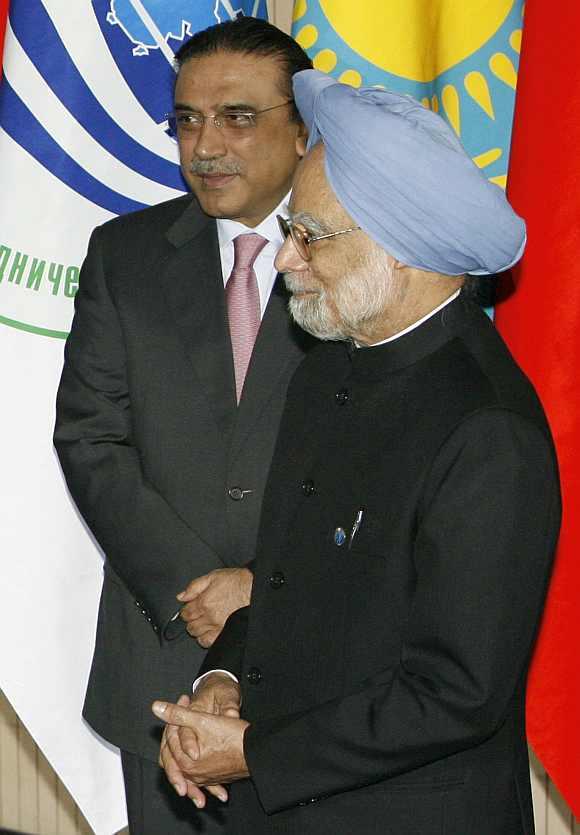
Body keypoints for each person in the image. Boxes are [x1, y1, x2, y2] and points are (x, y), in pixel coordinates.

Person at [152, 70, 561, 834]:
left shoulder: (487, 428)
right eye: (290, 231)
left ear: (400, 250)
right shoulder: (327, 368)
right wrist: (222, 677)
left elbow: (454, 693)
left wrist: (257, 752)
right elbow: (284, 579)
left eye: (310, 235)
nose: (283, 261)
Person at [53, 17, 314, 835]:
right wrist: (197, 590)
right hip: (164, 661)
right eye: (188, 119)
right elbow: (90, 438)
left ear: (302, 128)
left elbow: (389, 464)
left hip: (319, 670)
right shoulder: (123, 256)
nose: (205, 144)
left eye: (238, 116)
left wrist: (259, 589)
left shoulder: (361, 257)